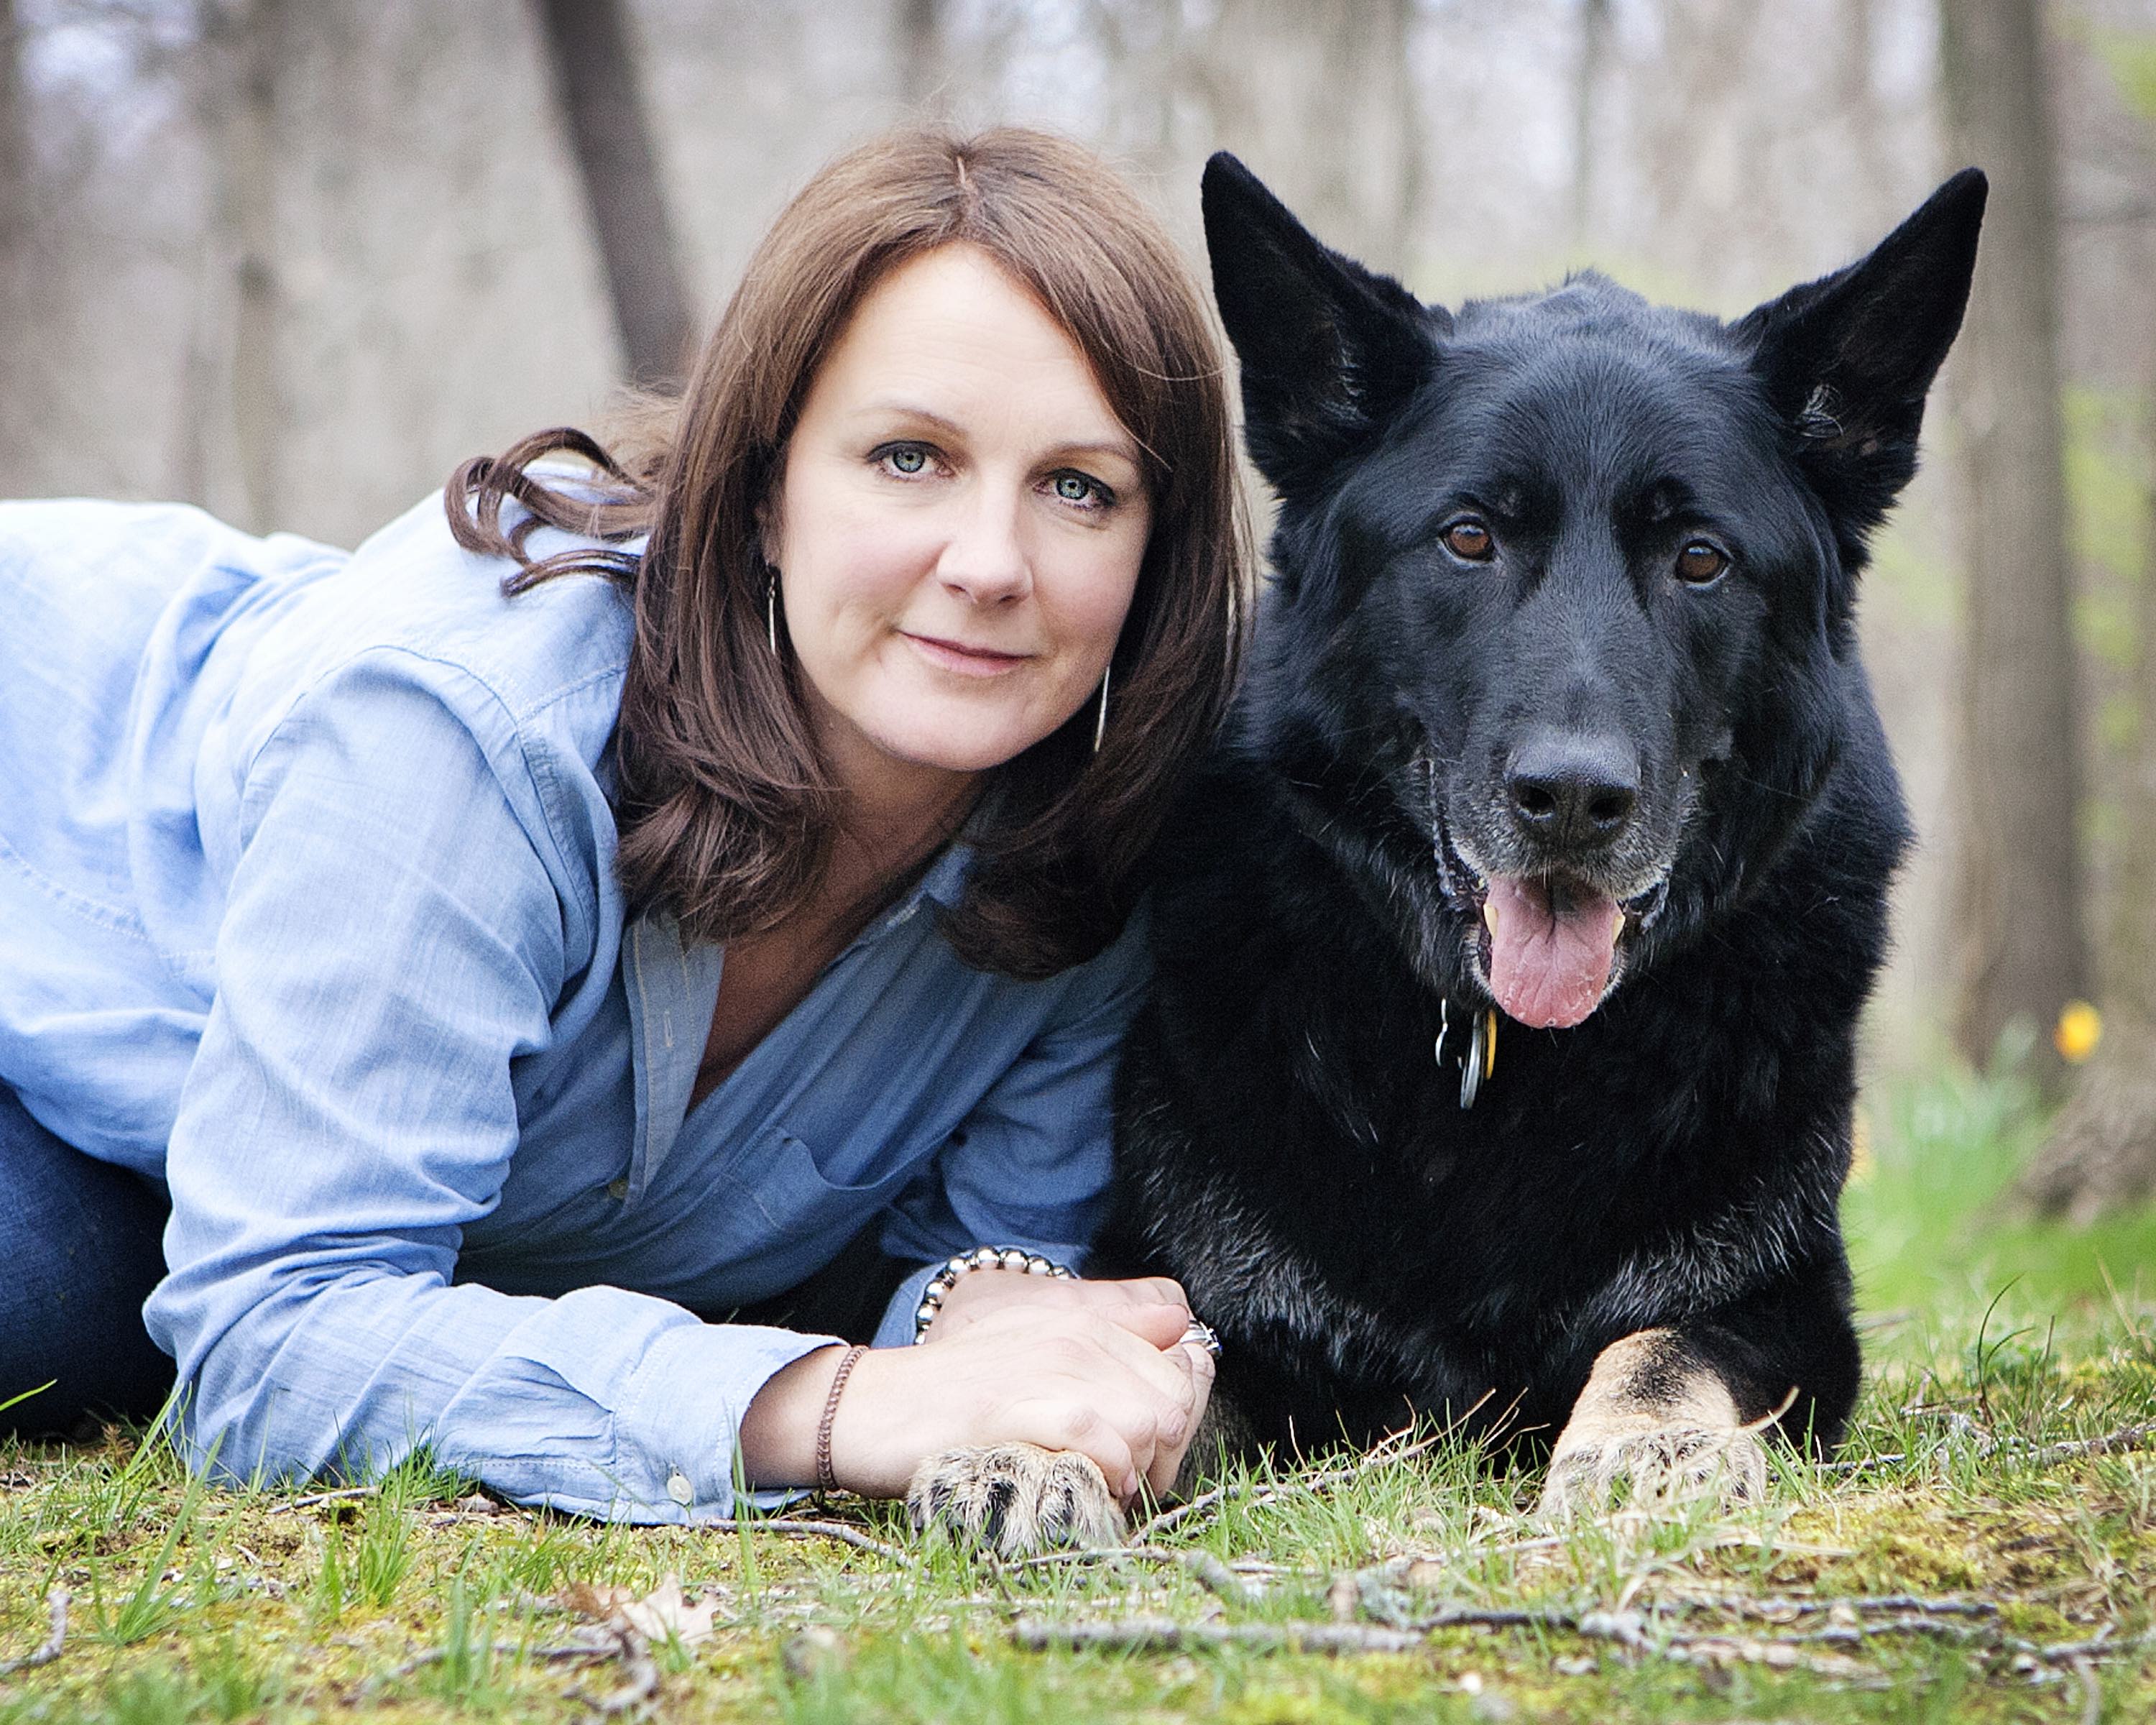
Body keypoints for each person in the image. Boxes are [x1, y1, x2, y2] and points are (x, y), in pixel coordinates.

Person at [0, 127, 1247, 1521]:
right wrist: (841, 1405)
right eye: (909, 457)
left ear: (1160, 551)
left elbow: (948, 1277)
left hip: (210, 1149)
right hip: (42, 842)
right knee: (55, 1296)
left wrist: (1005, 1324)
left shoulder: (1099, 835)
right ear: (764, 489)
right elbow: (272, 1339)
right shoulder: (472, 728)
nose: (989, 565)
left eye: (1081, 488)